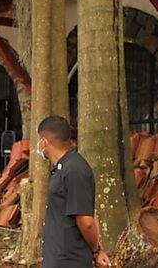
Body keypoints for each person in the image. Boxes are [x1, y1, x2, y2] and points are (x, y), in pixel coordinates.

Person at [37, 115, 110, 268]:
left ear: (44, 142)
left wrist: (96, 250)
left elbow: (86, 221)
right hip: (57, 257)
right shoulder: (62, 168)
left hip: (70, 259)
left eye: (39, 140)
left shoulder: (75, 169)